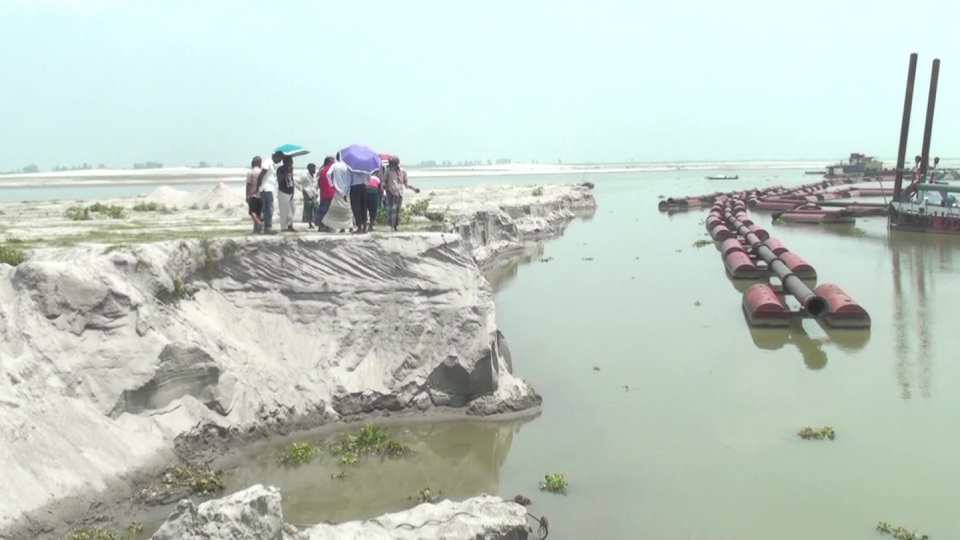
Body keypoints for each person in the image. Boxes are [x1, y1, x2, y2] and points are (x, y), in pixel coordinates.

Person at [383, 156, 420, 231]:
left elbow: (406, 183)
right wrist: (384, 187)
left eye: (391, 162)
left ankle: (396, 226)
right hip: (391, 192)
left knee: (398, 210)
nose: (389, 164)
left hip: (400, 193)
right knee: (392, 209)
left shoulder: (403, 171)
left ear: (396, 163)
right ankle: (392, 227)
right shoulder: (388, 171)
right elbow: (383, 180)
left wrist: (414, 189)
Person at [323, 152, 356, 233]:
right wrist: (347, 189)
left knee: (334, 209)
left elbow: (328, 174)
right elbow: (350, 178)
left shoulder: (334, 165)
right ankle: (348, 226)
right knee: (348, 210)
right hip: (346, 190)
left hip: (337, 190)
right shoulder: (347, 166)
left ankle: (335, 226)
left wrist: (331, 184)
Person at [256, 151, 283, 234]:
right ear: (276, 156)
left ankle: (263, 226)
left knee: (266, 209)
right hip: (266, 188)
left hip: (268, 188)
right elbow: (261, 175)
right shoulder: (268, 162)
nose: (280, 161)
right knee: (269, 208)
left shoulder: (271, 163)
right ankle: (268, 227)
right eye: (280, 159)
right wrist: (258, 187)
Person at [276, 155, 297, 232]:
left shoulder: (291, 169)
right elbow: (279, 179)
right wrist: (286, 172)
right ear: (286, 161)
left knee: (293, 209)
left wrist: (293, 191)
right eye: (290, 161)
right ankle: (283, 227)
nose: (292, 162)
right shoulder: (280, 169)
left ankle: (290, 225)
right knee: (284, 211)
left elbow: (291, 180)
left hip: (290, 192)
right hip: (283, 192)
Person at [315, 156, 336, 230]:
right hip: (330, 191)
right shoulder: (330, 169)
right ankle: (324, 225)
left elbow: (318, 181)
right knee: (327, 210)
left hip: (323, 191)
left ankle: (321, 225)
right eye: (332, 161)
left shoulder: (322, 169)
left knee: (323, 208)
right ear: (329, 162)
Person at [245, 156, 264, 233]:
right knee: (258, 213)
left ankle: (259, 223)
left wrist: (247, 195)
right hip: (261, 194)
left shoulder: (251, 172)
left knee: (252, 212)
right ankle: (256, 230)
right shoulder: (262, 172)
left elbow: (248, 184)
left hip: (253, 194)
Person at [300, 163, 318, 228]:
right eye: (313, 168)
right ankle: (310, 223)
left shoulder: (315, 176)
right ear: (309, 169)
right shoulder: (305, 176)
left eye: (315, 168)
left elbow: (315, 185)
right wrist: (303, 190)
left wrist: (316, 193)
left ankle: (314, 222)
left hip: (313, 194)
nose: (314, 170)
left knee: (315, 208)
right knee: (308, 209)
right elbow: (298, 182)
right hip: (307, 194)